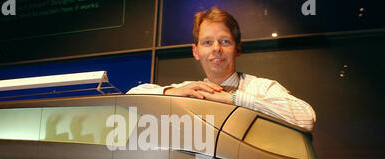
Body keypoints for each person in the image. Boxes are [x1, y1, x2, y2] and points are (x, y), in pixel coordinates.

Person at [127, 7, 316, 131]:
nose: (216, 48)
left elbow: (306, 118)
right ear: (196, 51)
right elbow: (130, 97)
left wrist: (234, 98)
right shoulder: (188, 90)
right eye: (207, 42)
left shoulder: (262, 88)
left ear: (238, 48)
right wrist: (172, 92)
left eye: (224, 41)